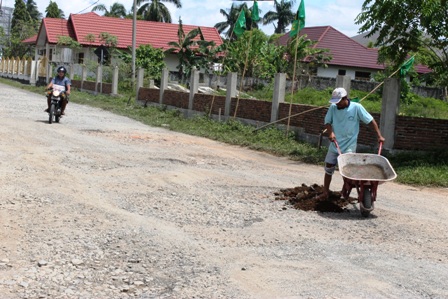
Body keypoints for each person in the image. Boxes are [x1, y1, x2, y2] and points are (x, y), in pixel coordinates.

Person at [320, 87, 385, 199]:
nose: (337, 104)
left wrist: (379, 135)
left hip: (349, 146)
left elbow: (370, 121)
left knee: (346, 171)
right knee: (329, 166)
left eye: (338, 102)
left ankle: (343, 192)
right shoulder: (333, 108)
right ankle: (326, 191)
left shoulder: (356, 108)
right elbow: (327, 122)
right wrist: (330, 133)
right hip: (335, 143)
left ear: (345, 98)